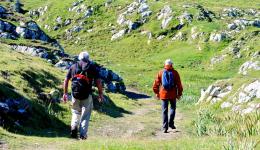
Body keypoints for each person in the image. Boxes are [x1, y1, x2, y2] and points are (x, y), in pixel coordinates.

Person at [63, 51, 103, 140]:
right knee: (85, 114)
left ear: (79, 58)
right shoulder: (92, 67)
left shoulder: (73, 67)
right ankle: (83, 135)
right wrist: (100, 93)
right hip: (87, 95)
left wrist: (65, 93)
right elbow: (98, 82)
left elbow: (66, 80)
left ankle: (73, 127)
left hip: (75, 95)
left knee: (75, 112)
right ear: (88, 58)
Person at [153, 59, 183, 133]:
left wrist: (156, 92)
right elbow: (179, 84)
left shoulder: (160, 72)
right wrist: (179, 94)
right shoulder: (175, 73)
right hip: (173, 94)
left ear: (165, 65)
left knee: (164, 111)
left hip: (163, 94)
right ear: (171, 65)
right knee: (173, 108)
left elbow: (156, 83)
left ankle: (164, 128)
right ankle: (171, 124)